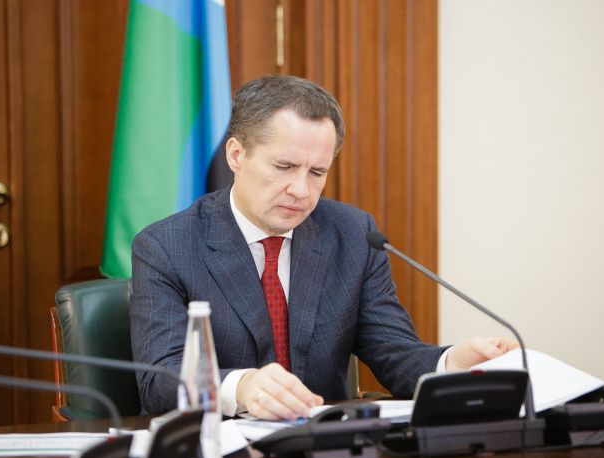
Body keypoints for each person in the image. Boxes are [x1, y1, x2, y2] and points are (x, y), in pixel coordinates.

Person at [130, 75, 518, 420]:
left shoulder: (353, 234)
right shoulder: (167, 247)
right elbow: (160, 380)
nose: (301, 190)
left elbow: (393, 350)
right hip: (221, 452)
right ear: (237, 155)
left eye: (317, 172)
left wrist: (449, 363)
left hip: (327, 450)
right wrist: (242, 387)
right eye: (284, 167)